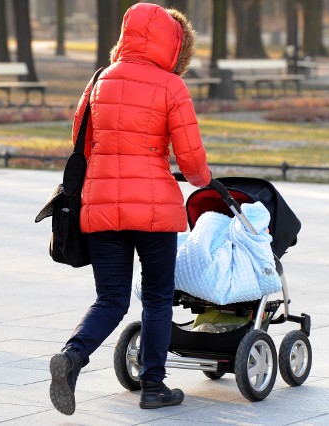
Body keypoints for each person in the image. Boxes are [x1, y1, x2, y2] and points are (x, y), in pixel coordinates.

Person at [48, 3, 212, 415]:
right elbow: (190, 160)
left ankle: (71, 357)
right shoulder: (171, 86)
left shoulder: (100, 80)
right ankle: (153, 387)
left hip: (100, 209)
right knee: (157, 299)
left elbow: (80, 143)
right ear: (172, 44)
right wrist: (204, 181)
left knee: (111, 299)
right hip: (154, 210)